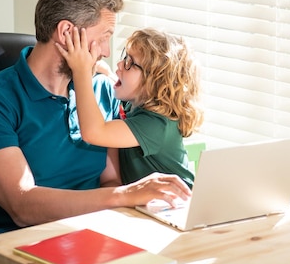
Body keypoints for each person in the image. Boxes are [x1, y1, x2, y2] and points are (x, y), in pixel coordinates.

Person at [0, 0, 191, 264]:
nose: (107, 53)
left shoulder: (99, 95)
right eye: (103, 39)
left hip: (80, 239)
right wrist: (126, 194)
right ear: (66, 33)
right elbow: (23, 207)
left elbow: (108, 180)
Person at [56, 27, 204, 188]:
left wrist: (81, 71)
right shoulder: (135, 105)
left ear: (153, 83)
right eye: (125, 57)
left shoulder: (156, 125)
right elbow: (124, 91)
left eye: (130, 63)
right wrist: (108, 73)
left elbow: (94, 132)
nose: (120, 64)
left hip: (177, 207)